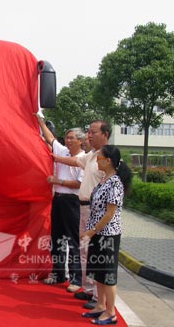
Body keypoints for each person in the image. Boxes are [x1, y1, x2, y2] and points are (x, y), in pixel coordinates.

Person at [54, 120, 111, 309]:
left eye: (93, 132)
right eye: (88, 132)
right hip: (84, 207)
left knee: (97, 253)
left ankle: (98, 297)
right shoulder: (92, 155)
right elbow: (74, 161)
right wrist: (55, 157)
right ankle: (88, 290)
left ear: (105, 134)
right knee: (85, 250)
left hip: (98, 210)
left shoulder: (110, 156)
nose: (89, 135)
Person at [80, 145, 132, 325]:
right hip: (97, 234)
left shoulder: (115, 183)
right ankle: (100, 305)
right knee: (99, 272)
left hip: (107, 235)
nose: (97, 161)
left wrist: (92, 231)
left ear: (108, 161)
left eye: (99, 158)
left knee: (108, 275)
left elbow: (110, 213)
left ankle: (111, 312)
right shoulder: (104, 179)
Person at [36, 114, 85, 292]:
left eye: (72, 138)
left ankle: (76, 278)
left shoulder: (84, 158)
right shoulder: (63, 151)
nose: (69, 140)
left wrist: (58, 181)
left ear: (80, 141)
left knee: (72, 240)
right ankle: (58, 274)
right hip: (58, 200)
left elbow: (79, 184)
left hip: (72, 201)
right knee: (56, 238)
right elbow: (50, 138)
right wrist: (40, 121)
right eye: (67, 137)